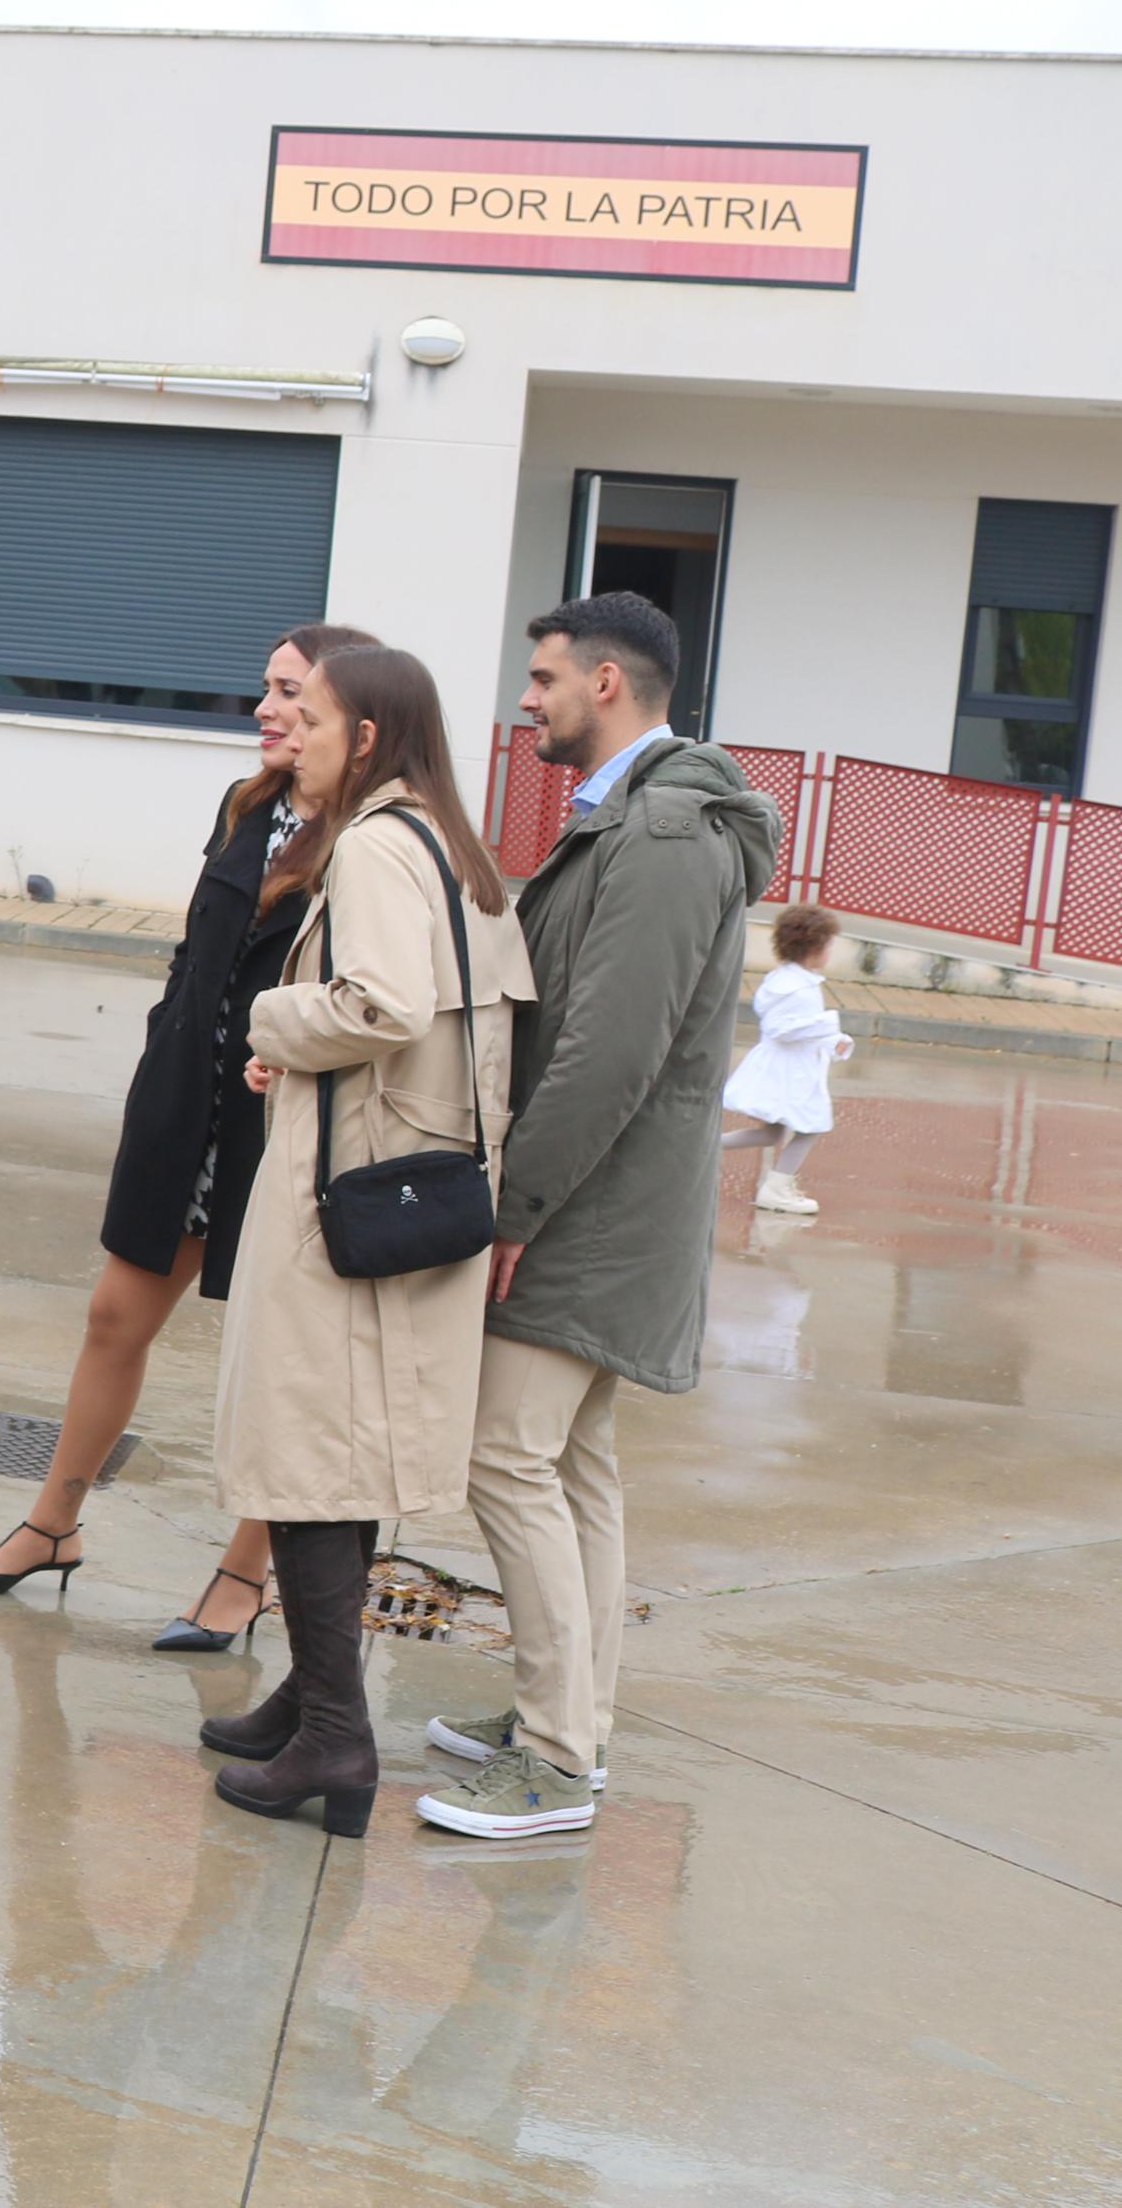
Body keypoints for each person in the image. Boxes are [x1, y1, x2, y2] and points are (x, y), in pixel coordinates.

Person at [0, 621, 375, 1650]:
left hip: (287, 1122)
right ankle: (50, 1525)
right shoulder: (244, 804)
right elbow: (193, 950)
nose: (266, 710)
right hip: (186, 1108)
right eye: (265, 689)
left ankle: (241, 1575)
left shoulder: (366, 841)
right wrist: (165, 1044)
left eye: (290, 695)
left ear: (343, 720)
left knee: (277, 1365)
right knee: (110, 1320)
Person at [413, 591, 777, 1842]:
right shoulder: (635, 816)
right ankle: (575, 1721)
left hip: (588, 1212)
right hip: (598, 1206)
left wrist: (512, 1206)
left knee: (503, 1458)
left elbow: (605, 1053)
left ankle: (557, 1762)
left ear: (608, 683)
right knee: (570, 1465)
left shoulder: (665, 834)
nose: (526, 701)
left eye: (544, 679)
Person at [195, 643, 531, 1838]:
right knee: (325, 1453)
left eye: (311, 711)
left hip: (345, 1198)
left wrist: (274, 1018)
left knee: (305, 1453)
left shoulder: (381, 847)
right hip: (399, 1183)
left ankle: (337, 1736)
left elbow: (379, 1002)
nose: (288, 725)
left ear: (367, 736)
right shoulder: (449, 843)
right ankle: (314, 1694)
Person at [718, 902, 850, 1216]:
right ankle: (776, 1190)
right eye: (828, 944)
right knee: (811, 1126)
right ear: (815, 946)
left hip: (788, 1066)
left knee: (775, 1132)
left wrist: (834, 1040)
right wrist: (826, 1025)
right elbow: (780, 1029)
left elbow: (796, 1029)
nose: (830, 951)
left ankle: (701, 1149)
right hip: (789, 1071)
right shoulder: (795, 987)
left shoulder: (790, 979)